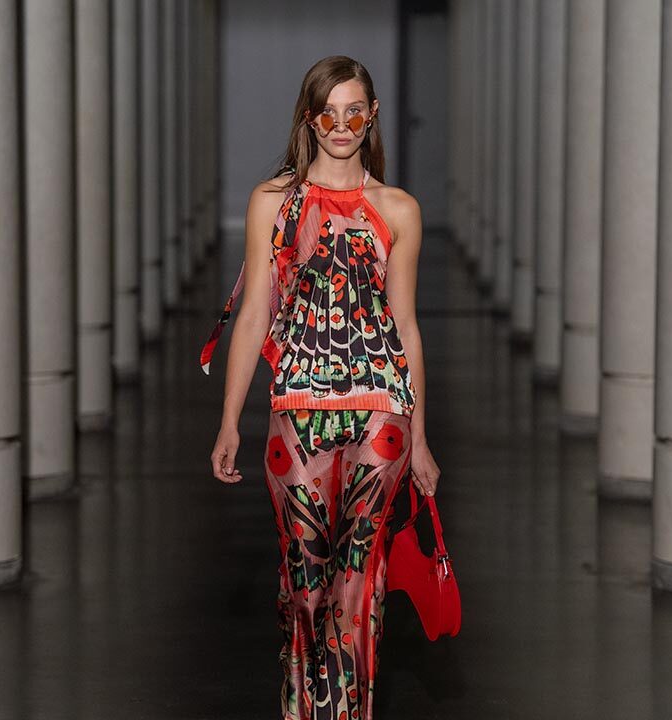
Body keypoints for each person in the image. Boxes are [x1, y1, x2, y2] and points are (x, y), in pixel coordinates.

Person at [201, 55, 440, 720]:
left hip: (382, 414)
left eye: (354, 112)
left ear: (372, 117)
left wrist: (421, 438)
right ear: (309, 119)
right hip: (298, 408)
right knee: (305, 585)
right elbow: (255, 313)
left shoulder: (399, 209)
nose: (341, 125)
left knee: (360, 584)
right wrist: (229, 421)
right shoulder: (273, 203)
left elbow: (406, 327)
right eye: (328, 112)